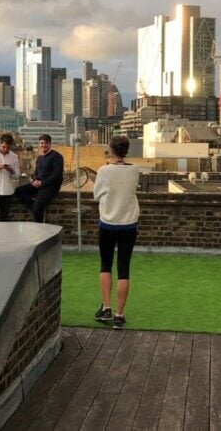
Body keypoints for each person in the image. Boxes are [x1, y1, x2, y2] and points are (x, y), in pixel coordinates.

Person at [92, 135, 139, 330]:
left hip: (108, 223)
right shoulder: (134, 170)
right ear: (126, 150)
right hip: (129, 224)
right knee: (123, 269)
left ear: (111, 150)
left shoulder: (104, 170)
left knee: (105, 265)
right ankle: (119, 315)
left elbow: (96, 194)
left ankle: (106, 308)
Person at [15, 134, 63, 223]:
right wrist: (34, 180)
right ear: (39, 144)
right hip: (38, 185)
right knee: (18, 191)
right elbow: (36, 173)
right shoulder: (40, 158)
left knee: (37, 208)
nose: (43, 145)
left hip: (50, 187)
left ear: (50, 144)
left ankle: (39, 225)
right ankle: (35, 207)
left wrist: (42, 183)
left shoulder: (56, 156)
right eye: (41, 143)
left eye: (46, 143)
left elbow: (57, 175)